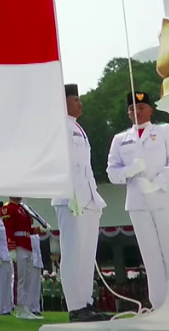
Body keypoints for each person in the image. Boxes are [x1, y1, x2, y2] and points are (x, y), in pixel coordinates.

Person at [106, 91, 169, 311]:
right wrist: (130, 170)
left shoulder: (164, 131)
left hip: (164, 198)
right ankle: (159, 305)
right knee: (150, 256)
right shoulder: (121, 140)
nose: (136, 112)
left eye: (141, 107)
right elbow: (112, 172)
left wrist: (157, 183)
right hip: (138, 202)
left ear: (151, 109)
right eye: (132, 108)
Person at [53, 84, 111, 322]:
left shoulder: (77, 127)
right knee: (73, 253)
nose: (80, 103)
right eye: (75, 99)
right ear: (64, 101)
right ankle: (75, 306)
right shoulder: (58, 127)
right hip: (70, 198)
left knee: (87, 255)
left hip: (87, 198)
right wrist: (70, 191)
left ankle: (87, 302)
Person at [1, 197, 40, 320]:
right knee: (20, 278)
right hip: (18, 245)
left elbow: (28, 229)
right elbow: (9, 229)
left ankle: (26, 307)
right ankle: (19, 308)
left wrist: (40, 229)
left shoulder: (22, 208)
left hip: (27, 243)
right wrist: (11, 247)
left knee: (28, 279)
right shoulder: (8, 208)